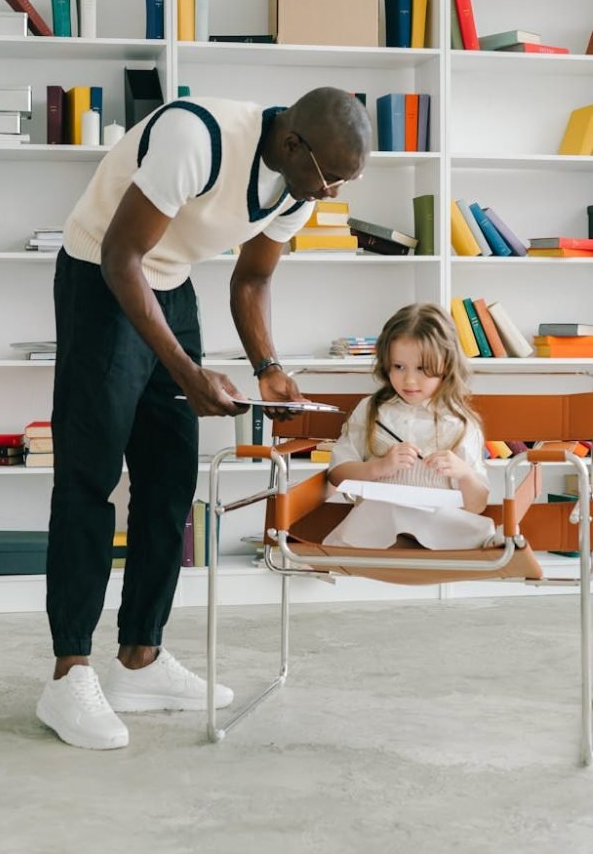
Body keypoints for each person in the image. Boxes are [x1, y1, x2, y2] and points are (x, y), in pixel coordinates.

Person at [36, 87, 372, 749]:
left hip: (169, 283)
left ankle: (140, 658)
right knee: (90, 475)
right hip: (100, 280)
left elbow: (251, 280)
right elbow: (118, 258)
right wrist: (188, 373)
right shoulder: (198, 138)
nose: (332, 192)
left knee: (167, 481)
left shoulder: (295, 188)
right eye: (330, 175)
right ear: (291, 143)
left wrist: (267, 364)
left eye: (347, 180)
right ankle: (68, 674)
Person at [324, 303, 492, 550]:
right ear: (385, 363)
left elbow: (477, 505)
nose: (409, 380)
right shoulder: (372, 410)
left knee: (478, 527)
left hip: (439, 526)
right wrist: (380, 467)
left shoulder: (460, 422)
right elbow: (337, 473)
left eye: (423, 369)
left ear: (446, 365)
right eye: (399, 367)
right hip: (378, 527)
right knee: (377, 511)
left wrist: (464, 474)